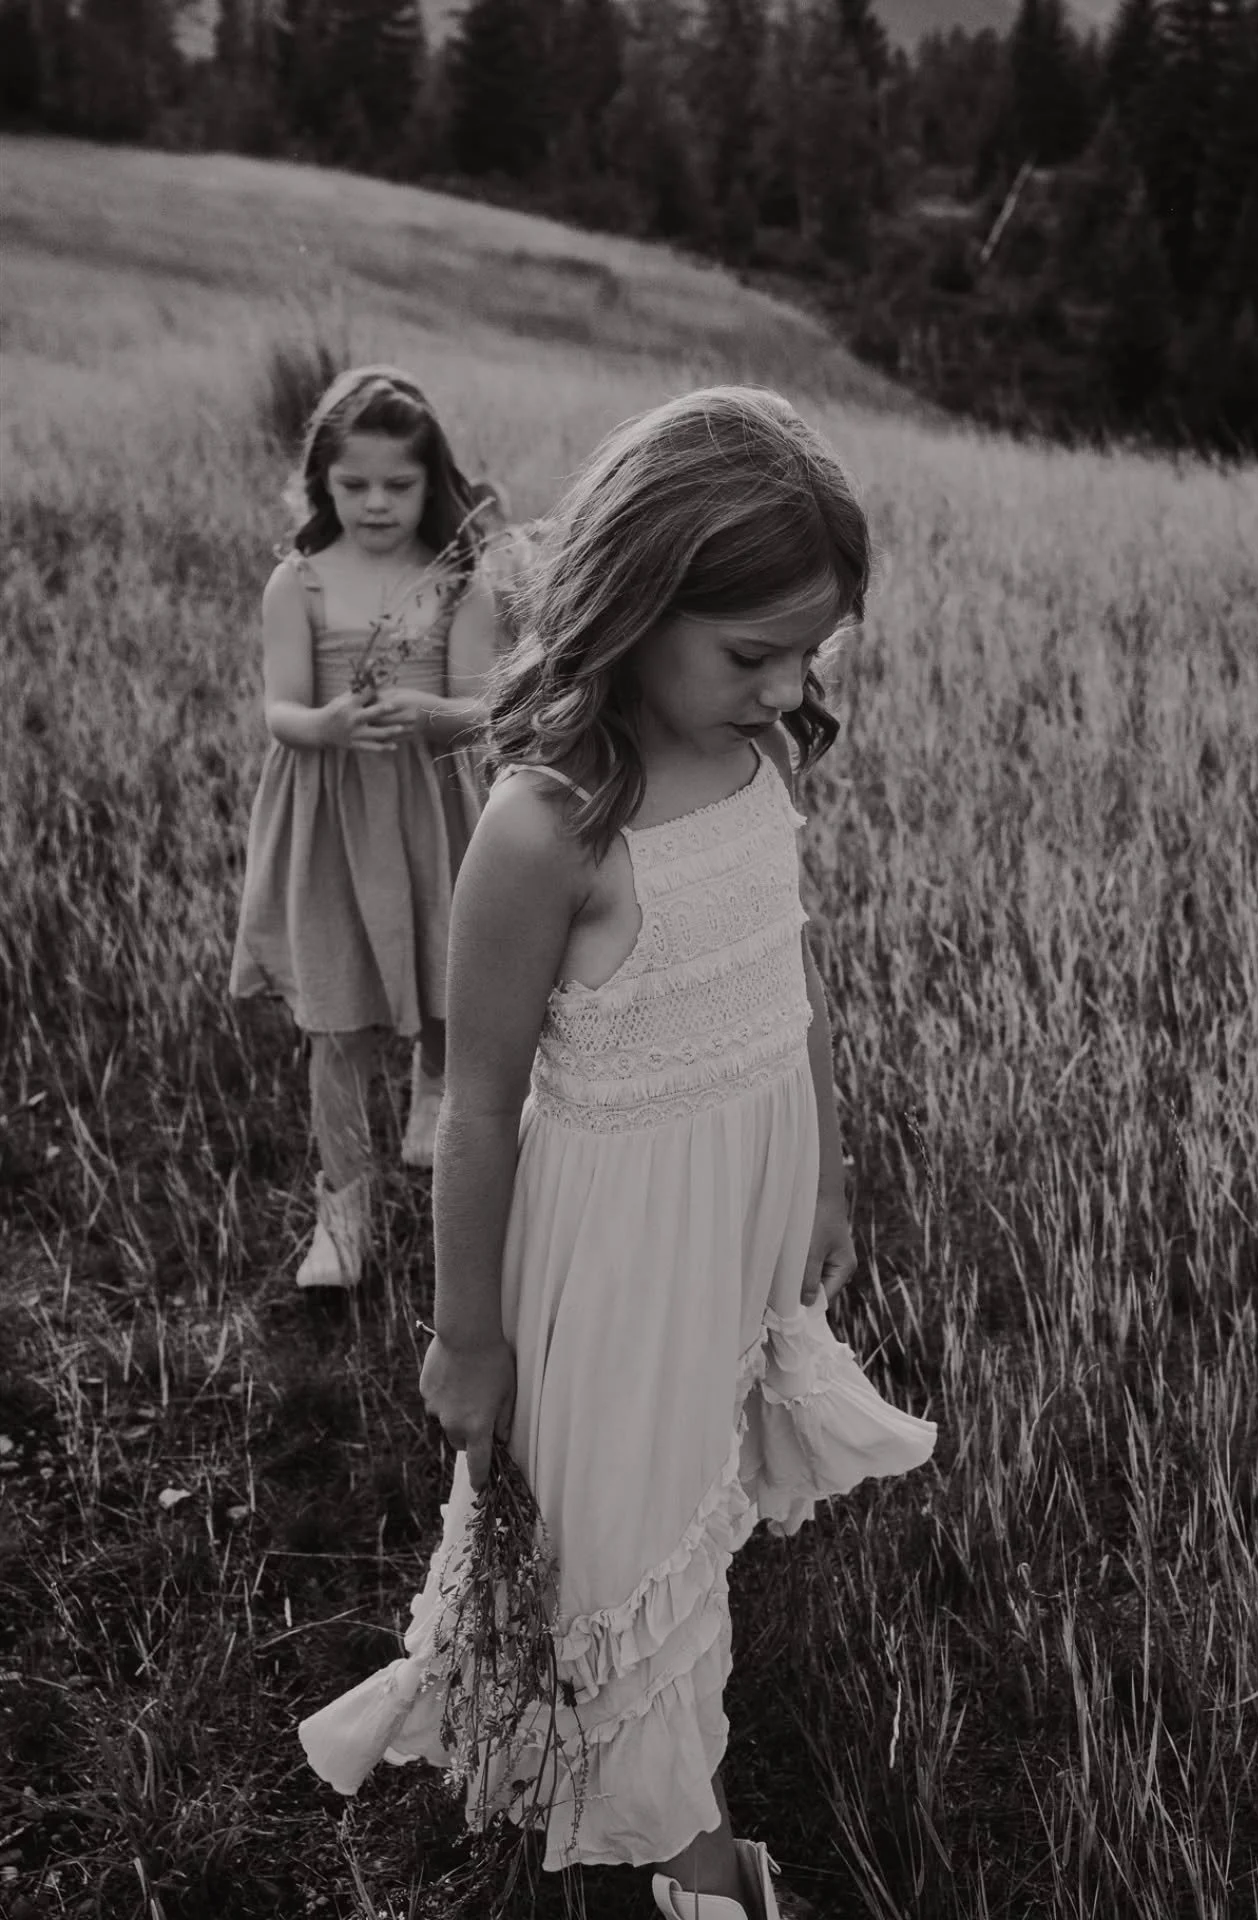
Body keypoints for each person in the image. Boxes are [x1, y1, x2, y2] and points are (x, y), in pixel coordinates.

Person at [297, 387, 937, 1917]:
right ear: (636, 599)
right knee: (614, 1553)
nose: (789, 689)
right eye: (751, 654)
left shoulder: (762, 767)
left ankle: (619, 1805)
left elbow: (789, 982)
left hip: (733, 1217)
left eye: (811, 656)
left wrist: (828, 1173)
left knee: (672, 1511)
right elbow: (479, 1107)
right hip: (609, 1251)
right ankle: (695, 1869)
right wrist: (467, 1333)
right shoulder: (548, 831)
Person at [230, 365, 501, 1289]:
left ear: (435, 484)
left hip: (431, 808)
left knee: (445, 976)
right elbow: (280, 712)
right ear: (321, 484)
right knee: (335, 1020)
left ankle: (434, 1086)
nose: (377, 503)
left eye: (400, 484)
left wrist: (423, 708)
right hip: (333, 821)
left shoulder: (458, 583)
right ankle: (341, 1219)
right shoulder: (297, 584)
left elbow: (478, 713)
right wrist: (332, 726)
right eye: (354, 485)